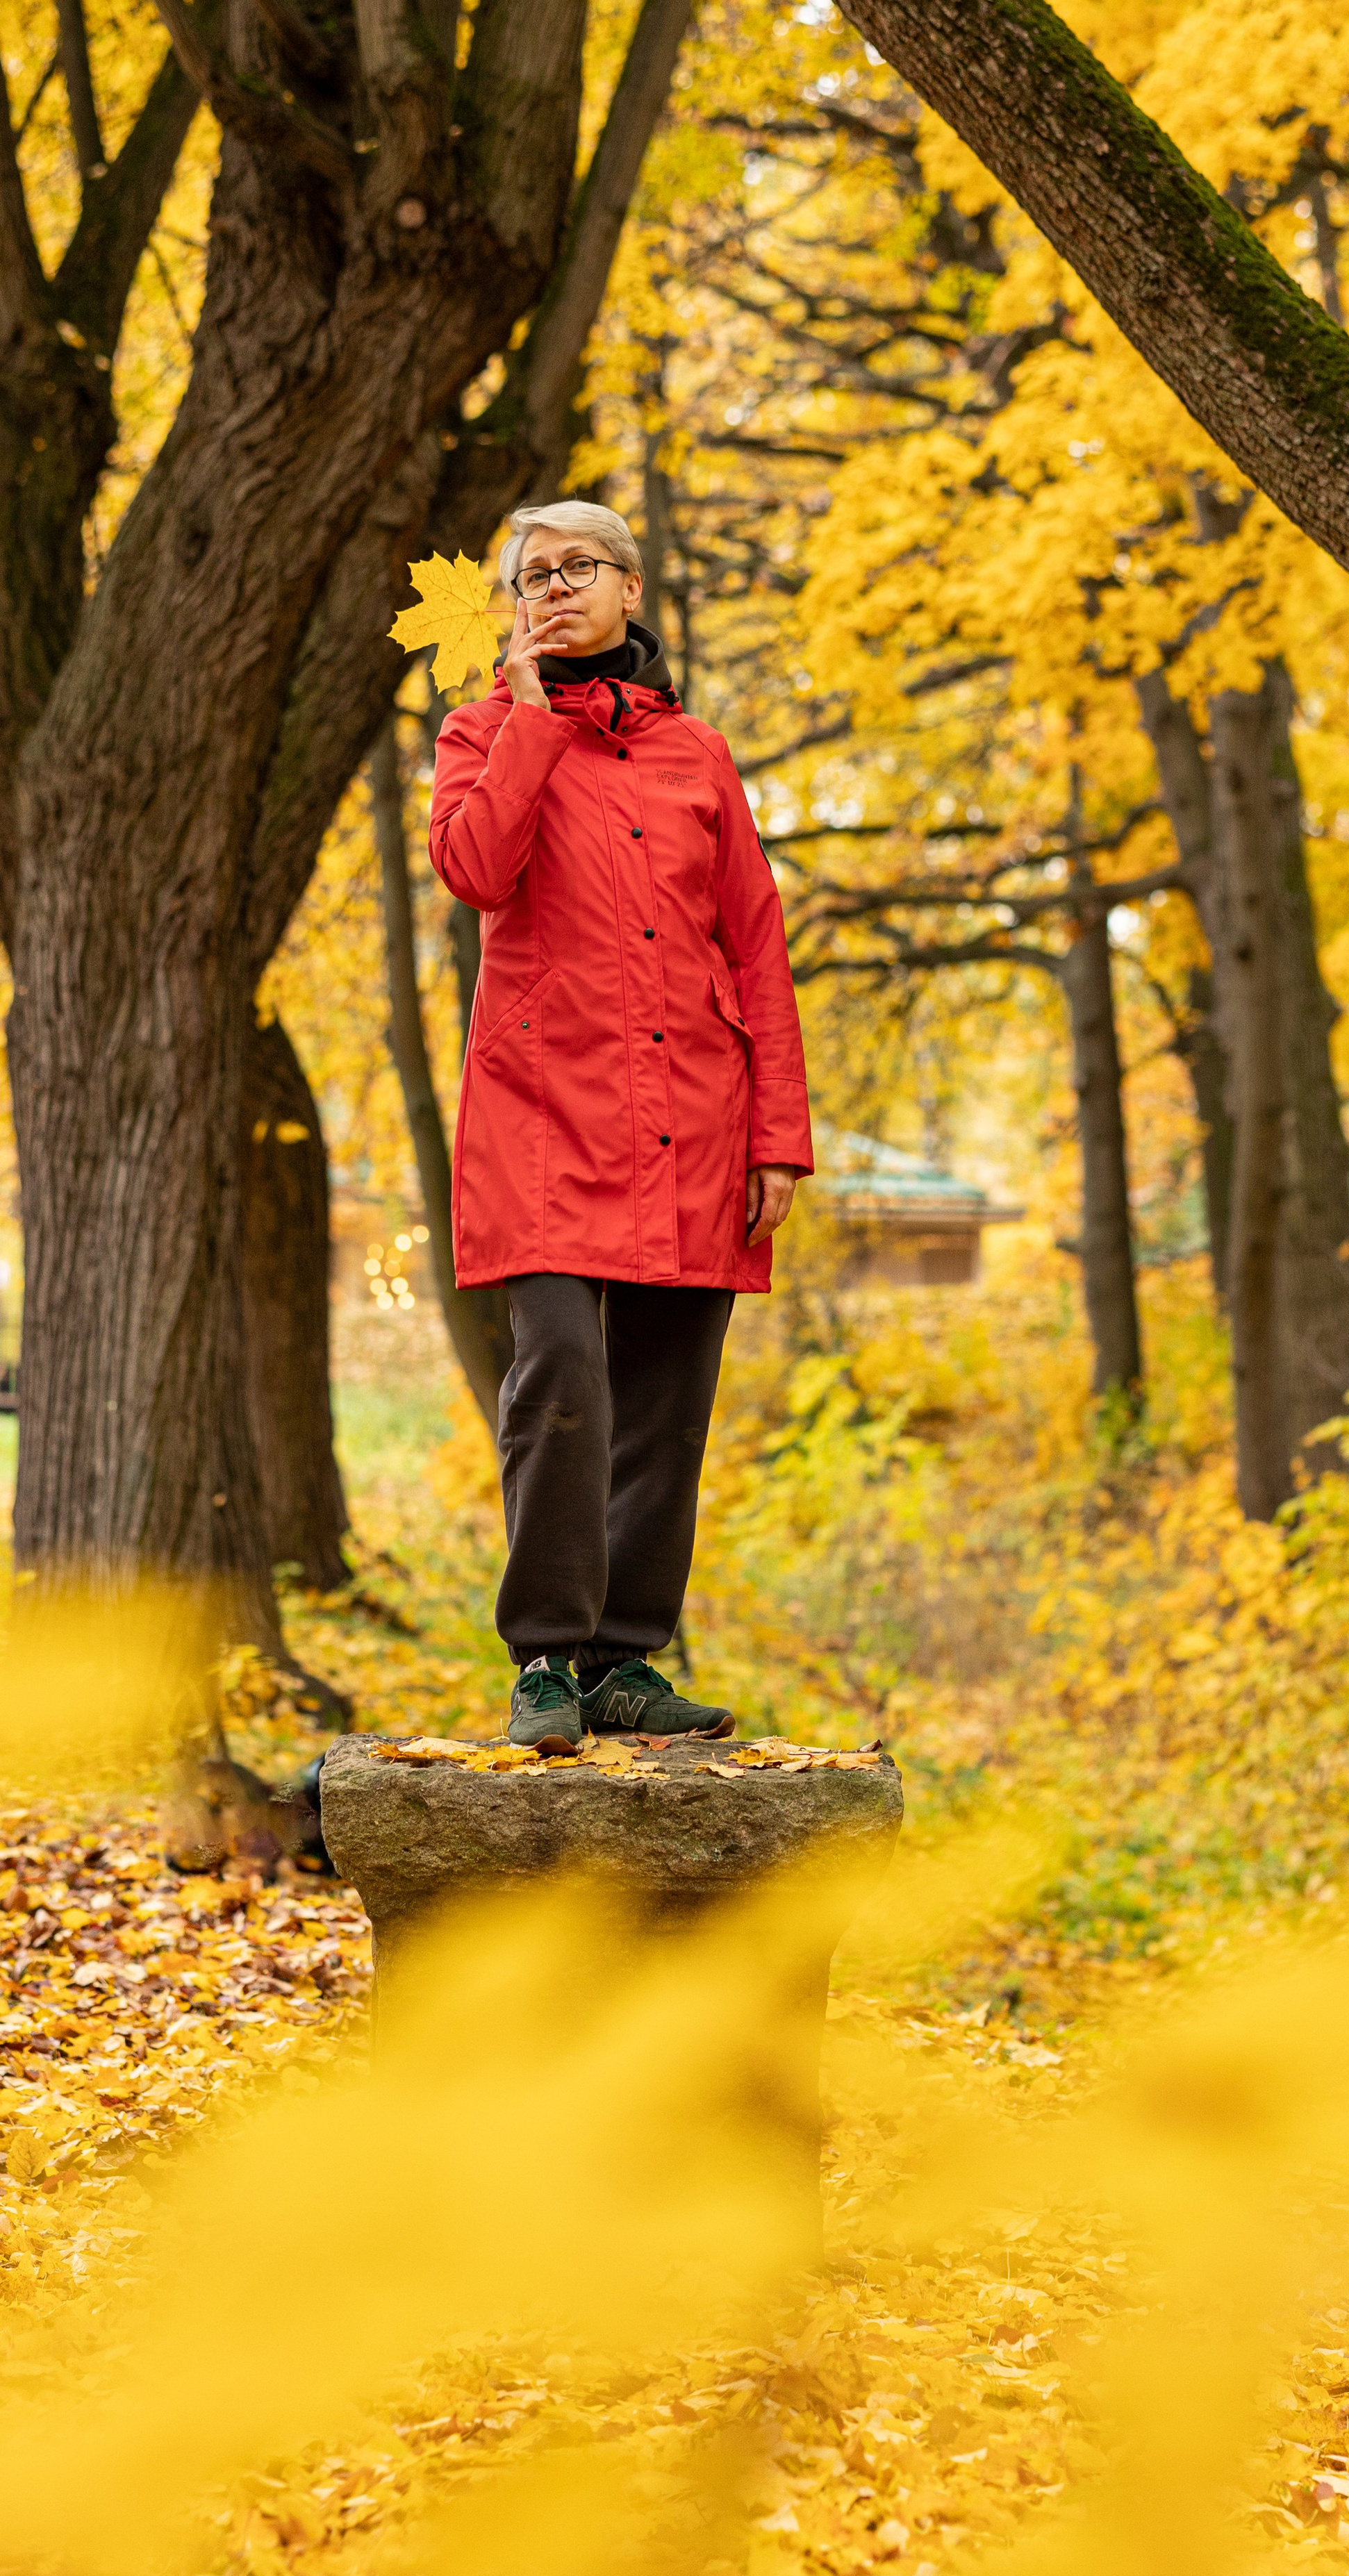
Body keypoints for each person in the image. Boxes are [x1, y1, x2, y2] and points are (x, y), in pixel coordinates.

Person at [429, 500, 812, 1750]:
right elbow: (476, 870)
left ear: (630, 588)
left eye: (577, 567)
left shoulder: (699, 755)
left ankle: (624, 1661)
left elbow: (754, 943)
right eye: (531, 576)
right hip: (542, 1115)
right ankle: (547, 1658)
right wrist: (531, 720)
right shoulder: (480, 732)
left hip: (692, 1116)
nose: (554, 588)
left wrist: (778, 1136)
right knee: (560, 1377)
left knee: (666, 1399)